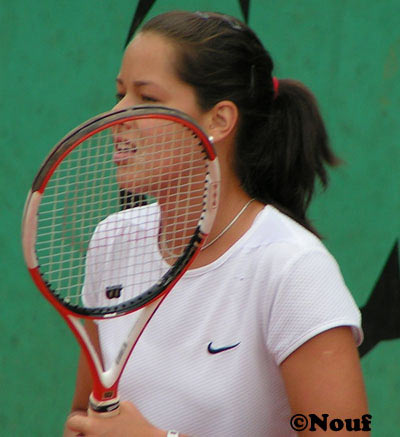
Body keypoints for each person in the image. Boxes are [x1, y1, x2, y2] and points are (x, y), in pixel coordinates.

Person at [64, 10, 369, 437]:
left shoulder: (294, 270)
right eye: (119, 94)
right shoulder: (112, 241)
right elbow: (86, 414)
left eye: (147, 98)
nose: (117, 115)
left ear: (219, 120)